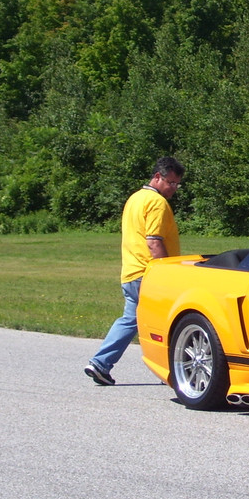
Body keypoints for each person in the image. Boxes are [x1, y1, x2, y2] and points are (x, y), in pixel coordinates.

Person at [85, 157, 184, 386]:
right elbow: (153, 241)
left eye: (177, 184)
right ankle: (171, 372)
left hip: (131, 272)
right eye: (171, 182)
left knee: (130, 320)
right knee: (170, 322)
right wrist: (167, 273)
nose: (174, 188)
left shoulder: (135, 198)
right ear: (157, 177)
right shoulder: (157, 203)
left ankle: (100, 364)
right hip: (148, 273)